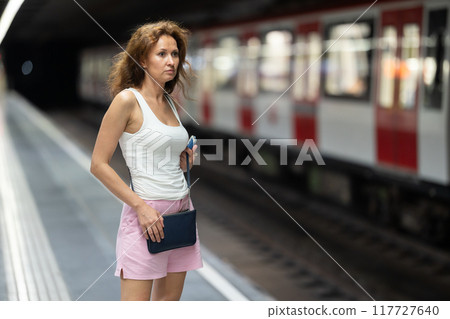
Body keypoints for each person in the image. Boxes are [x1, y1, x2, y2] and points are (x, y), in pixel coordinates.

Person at [90, 20, 202, 301]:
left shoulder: (170, 102)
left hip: (181, 213)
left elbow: (165, 159)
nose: (171, 61)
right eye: (162, 54)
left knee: (167, 305)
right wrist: (140, 207)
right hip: (147, 218)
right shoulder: (127, 101)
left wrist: (184, 162)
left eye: (175, 54)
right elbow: (98, 164)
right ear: (142, 59)